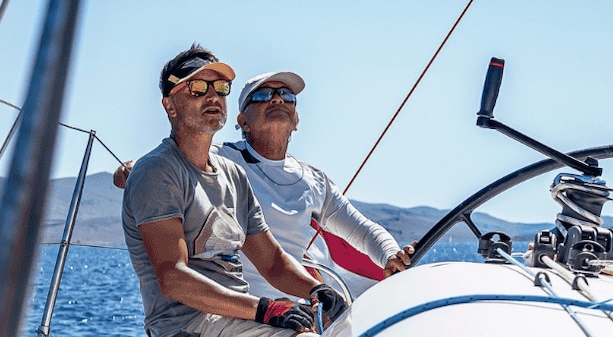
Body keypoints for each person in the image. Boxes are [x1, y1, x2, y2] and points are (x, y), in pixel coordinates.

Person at [120, 45, 347, 337]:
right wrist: (264, 310)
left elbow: (272, 263)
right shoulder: (158, 172)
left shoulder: (233, 176)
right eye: (197, 87)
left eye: (220, 88)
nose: (212, 96)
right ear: (170, 105)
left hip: (238, 316)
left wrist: (317, 289)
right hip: (187, 327)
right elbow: (173, 277)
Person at [114, 69, 415, 300]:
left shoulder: (315, 181)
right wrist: (134, 169)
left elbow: (363, 230)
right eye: (263, 96)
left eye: (287, 96)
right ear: (242, 121)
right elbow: (154, 167)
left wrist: (390, 256)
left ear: (296, 119)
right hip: (241, 309)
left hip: (303, 308)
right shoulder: (220, 159)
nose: (277, 99)